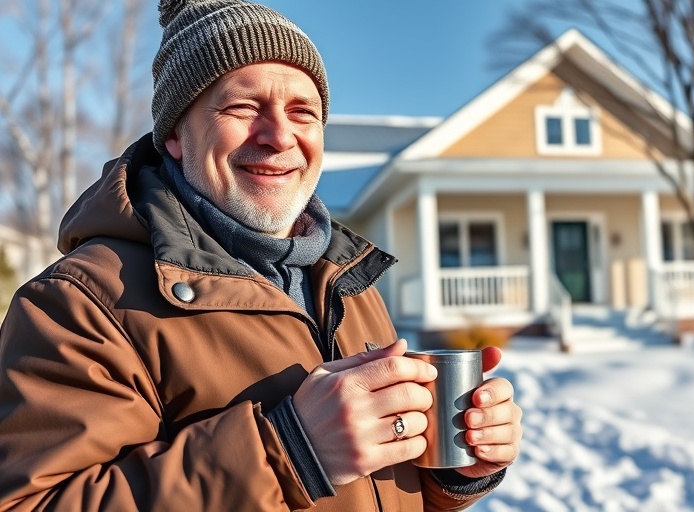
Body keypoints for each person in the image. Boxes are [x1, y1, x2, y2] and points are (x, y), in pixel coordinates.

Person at [0, 0, 522, 510]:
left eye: (303, 112)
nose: (279, 137)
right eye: (243, 108)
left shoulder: (341, 279)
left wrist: (453, 469)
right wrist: (288, 452)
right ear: (176, 136)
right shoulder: (80, 305)